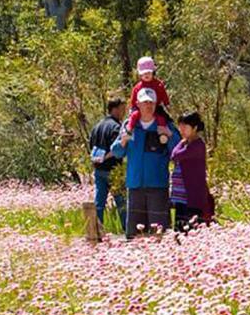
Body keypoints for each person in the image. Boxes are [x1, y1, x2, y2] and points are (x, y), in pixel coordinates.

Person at [111, 88, 181, 239]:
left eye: (151, 102)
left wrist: (169, 135)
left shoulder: (165, 125)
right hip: (135, 186)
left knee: (159, 234)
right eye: (144, 102)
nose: (148, 106)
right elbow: (116, 152)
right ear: (138, 104)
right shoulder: (129, 125)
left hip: (157, 186)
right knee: (135, 235)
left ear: (156, 104)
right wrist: (123, 140)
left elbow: (178, 151)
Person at [170, 112, 216, 232]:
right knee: (179, 230)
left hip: (192, 199)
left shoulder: (197, 145)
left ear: (195, 128)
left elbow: (175, 155)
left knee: (191, 231)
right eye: (180, 127)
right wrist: (183, 141)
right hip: (181, 197)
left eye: (185, 127)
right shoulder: (186, 143)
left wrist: (181, 142)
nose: (182, 130)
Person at [89, 98, 127, 231]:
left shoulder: (96, 126)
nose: (124, 112)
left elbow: (91, 147)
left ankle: (95, 230)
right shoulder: (116, 127)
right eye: (122, 108)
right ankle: (127, 230)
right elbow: (116, 150)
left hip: (98, 170)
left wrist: (98, 159)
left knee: (99, 202)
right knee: (121, 202)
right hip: (113, 170)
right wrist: (106, 157)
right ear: (115, 109)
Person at [126, 56, 172, 140]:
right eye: (144, 73)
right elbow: (133, 98)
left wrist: (167, 104)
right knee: (134, 115)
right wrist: (132, 108)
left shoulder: (158, 84)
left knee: (161, 117)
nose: (146, 75)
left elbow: (164, 95)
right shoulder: (137, 87)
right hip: (140, 107)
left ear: (153, 72)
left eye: (148, 72)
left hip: (156, 106)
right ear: (140, 74)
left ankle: (162, 133)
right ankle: (129, 130)